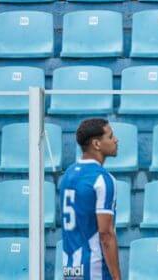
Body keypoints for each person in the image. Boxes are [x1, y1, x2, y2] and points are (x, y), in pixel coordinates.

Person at [60, 118, 122, 280]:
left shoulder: (68, 174)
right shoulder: (103, 179)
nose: (116, 140)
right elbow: (106, 234)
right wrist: (116, 277)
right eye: (110, 137)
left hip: (70, 268)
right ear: (96, 144)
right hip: (94, 270)